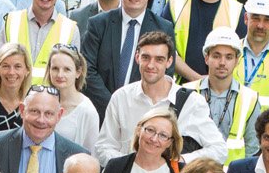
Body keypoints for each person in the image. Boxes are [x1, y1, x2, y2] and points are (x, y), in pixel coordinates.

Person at [94, 32, 227, 164]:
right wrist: (131, 165)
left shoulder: (192, 102)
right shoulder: (121, 97)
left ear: (169, 62)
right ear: (137, 57)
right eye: (146, 57)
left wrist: (180, 161)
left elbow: (219, 150)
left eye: (159, 59)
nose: (151, 65)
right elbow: (103, 147)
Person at [81, 0, 174, 114]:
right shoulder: (98, 24)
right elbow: (87, 69)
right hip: (100, 110)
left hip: (143, 112)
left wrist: (134, 105)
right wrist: (114, 104)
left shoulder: (163, 28)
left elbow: (165, 73)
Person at [187, 27, 263, 162]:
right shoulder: (186, 93)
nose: (222, 63)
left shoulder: (250, 99)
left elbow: (252, 148)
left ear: (237, 60)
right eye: (216, 56)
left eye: (229, 57)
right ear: (206, 58)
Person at [166, 0, 240, 81]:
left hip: (220, 88)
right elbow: (165, 47)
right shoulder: (174, 3)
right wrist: (198, 80)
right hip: (179, 86)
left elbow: (239, 55)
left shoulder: (237, 10)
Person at [1, 0, 81, 84]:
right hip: (13, 100)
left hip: (53, 101)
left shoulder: (71, 29)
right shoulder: (11, 22)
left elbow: (70, 79)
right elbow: (0, 67)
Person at [47, 47, 103, 152]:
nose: (60, 74)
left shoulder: (87, 111)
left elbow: (91, 155)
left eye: (67, 69)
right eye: (55, 68)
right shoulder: (42, 101)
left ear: (78, 72)